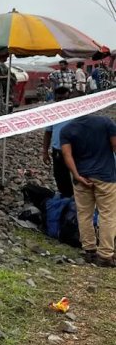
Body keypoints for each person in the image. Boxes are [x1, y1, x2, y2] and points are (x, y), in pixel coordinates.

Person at [59, 114, 116, 267]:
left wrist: (77, 175)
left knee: (84, 214)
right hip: (106, 177)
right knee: (107, 214)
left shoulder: (66, 129)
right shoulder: (106, 122)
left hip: (81, 178)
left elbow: (66, 154)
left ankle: (89, 250)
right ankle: (105, 254)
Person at [42, 87, 73, 198]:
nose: (61, 101)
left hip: (75, 150)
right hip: (58, 150)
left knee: (78, 177)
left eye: (64, 98)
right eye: (59, 98)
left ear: (69, 96)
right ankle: (66, 198)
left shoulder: (76, 110)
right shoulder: (53, 112)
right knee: (60, 176)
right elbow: (48, 132)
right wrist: (45, 151)